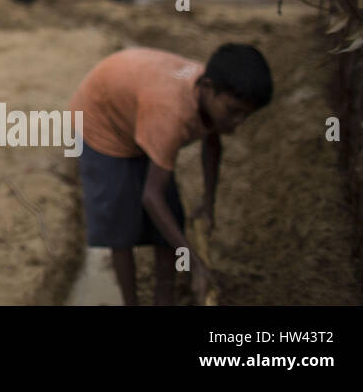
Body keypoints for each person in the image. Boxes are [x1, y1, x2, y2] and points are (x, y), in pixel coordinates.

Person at [67, 43, 273, 305]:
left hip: (138, 110)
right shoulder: (171, 113)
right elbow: (151, 197)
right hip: (101, 123)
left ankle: (164, 297)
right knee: (121, 228)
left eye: (246, 115)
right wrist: (195, 263)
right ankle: (130, 301)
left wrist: (208, 203)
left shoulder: (208, 95)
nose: (238, 122)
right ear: (208, 88)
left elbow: (212, 142)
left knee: (168, 226)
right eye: (233, 111)